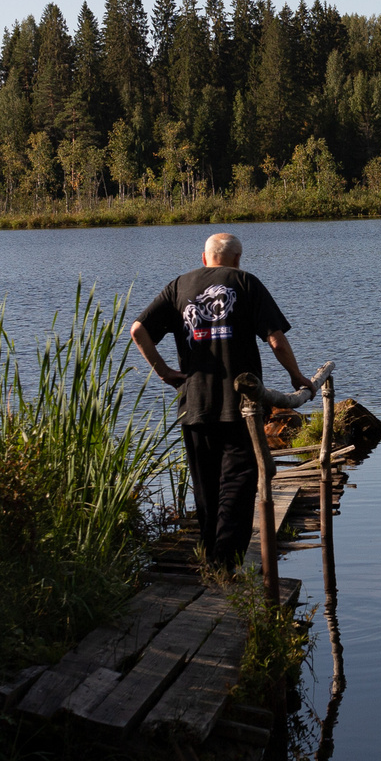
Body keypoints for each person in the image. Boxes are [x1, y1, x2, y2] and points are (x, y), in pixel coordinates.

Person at [131, 232, 310, 567]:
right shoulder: (245, 282)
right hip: (241, 406)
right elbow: (275, 340)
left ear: (204, 258)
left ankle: (211, 558)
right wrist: (296, 377)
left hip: (194, 403)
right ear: (238, 259)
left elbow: (137, 329)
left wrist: (164, 371)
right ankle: (225, 564)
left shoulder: (179, 286)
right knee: (239, 483)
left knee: (206, 487)